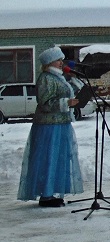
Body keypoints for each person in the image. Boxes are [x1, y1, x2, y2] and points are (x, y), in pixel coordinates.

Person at [18, 46, 84, 207]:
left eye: (62, 59)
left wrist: (74, 79)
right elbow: (44, 103)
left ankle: (55, 191)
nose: (62, 62)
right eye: (58, 60)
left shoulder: (59, 77)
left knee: (60, 158)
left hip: (61, 124)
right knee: (49, 158)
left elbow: (70, 91)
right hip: (48, 127)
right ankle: (46, 195)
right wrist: (66, 103)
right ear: (49, 62)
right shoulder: (46, 78)